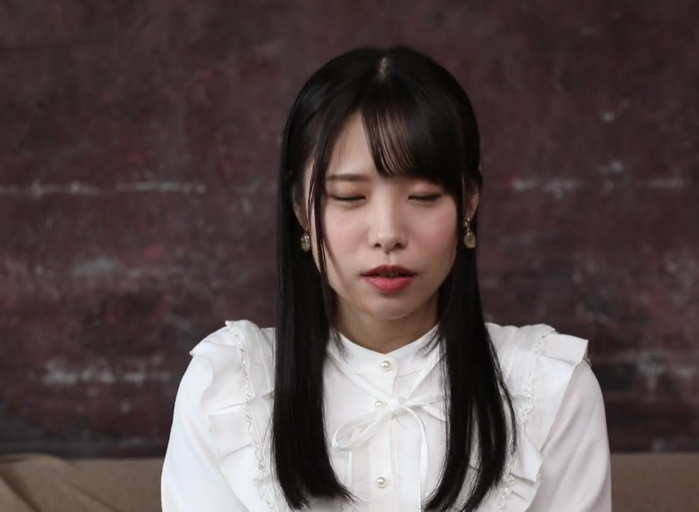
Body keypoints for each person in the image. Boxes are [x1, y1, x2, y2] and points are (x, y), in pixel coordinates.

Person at [160, 45, 612, 511]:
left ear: (470, 201)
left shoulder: (548, 388)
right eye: (349, 197)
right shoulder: (229, 389)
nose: (387, 234)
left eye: (423, 196)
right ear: (300, 209)